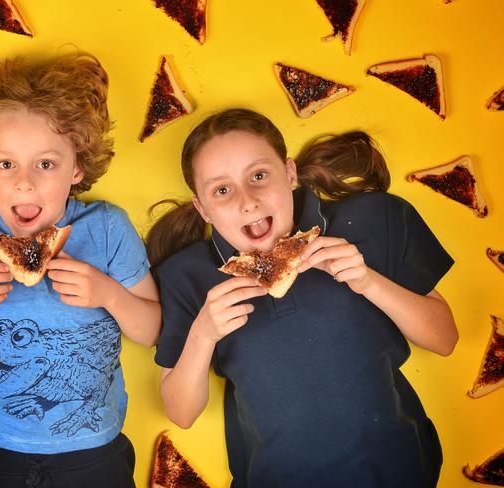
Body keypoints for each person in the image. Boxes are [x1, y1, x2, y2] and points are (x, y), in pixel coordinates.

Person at [147, 108, 458, 488]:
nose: (247, 201)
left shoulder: (376, 218)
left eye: (259, 175)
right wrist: (203, 334)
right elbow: (181, 412)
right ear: (202, 208)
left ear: (290, 174)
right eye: (222, 190)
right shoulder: (186, 277)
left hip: (402, 473)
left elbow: (445, 339)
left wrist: (368, 281)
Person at [0, 52, 161, 488]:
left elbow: (152, 330)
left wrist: (108, 294)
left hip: (95, 452)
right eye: (5, 163)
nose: (24, 182)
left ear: (78, 168)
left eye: (45, 164)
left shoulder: (106, 227)